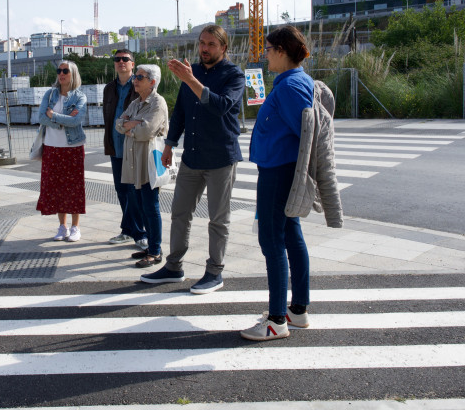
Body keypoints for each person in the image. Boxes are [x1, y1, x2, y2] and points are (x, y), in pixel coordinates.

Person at [239, 25, 343, 341]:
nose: (265, 54)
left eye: (268, 49)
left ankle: (275, 320)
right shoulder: (292, 81)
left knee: (272, 241)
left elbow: (310, 133)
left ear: (282, 51)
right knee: (290, 236)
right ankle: (297, 310)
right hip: (282, 169)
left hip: (279, 172)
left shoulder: (290, 86)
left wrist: (304, 176)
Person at [140, 25, 245, 294]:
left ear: (223, 47)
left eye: (211, 44)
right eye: (201, 43)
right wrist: (169, 145)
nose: (204, 49)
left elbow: (221, 106)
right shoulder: (194, 72)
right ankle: (174, 266)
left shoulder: (234, 75)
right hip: (192, 156)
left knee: (218, 219)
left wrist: (190, 80)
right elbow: (181, 113)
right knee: (180, 213)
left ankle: (214, 272)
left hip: (221, 156)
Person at [115, 64, 168, 268]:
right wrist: (133, 124)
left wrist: (131, 125)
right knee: (141, 206)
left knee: (150, 206)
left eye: (140, 77)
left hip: (149, 163)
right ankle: (152, 245)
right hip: (134, 162)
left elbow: (147, 132)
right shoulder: (136, 102)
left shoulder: (157, 103)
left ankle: (155, 251)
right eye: (135, 76)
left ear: (152, 82)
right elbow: (119, 124)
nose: (135, 79)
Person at [36, 60, 88, 242]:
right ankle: (62, 227)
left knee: (74, 188)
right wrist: (62, 119)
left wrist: (54, 116)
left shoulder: (80, 97)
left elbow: (76, 121)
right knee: (56, 188)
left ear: (73, 74)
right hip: (52, 147)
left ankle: (75, 227)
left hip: (72, 148)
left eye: (65, 70)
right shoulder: (50, 94)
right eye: (59, 70)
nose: (61, 73)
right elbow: (41, 116)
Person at [102, 48, 146, 250]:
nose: (121, 62)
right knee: (121, 190)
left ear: (132, 63)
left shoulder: (138, 85)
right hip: (115, 145)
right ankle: (130, 231)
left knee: (133, 191)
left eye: (125, 59)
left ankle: (137, 232)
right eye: (117, 59)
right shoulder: (109, 88)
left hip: (132, 146)